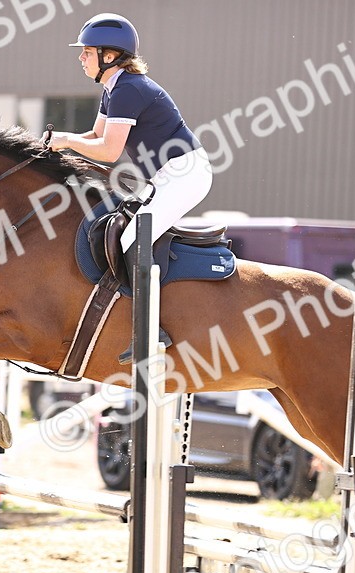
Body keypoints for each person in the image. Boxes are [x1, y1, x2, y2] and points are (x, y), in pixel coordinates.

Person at [48, 12, 213, 362]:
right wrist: (59, 143)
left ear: (109, 56)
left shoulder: (129, 89)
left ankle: (151, 332)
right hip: (167, 175)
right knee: (117, 229)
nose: (81, 57)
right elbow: (94, 135)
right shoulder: (115, 88)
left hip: (185, 174)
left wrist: (65, 140)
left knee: (131, 238)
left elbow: (108, 150)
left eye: (87, 52)